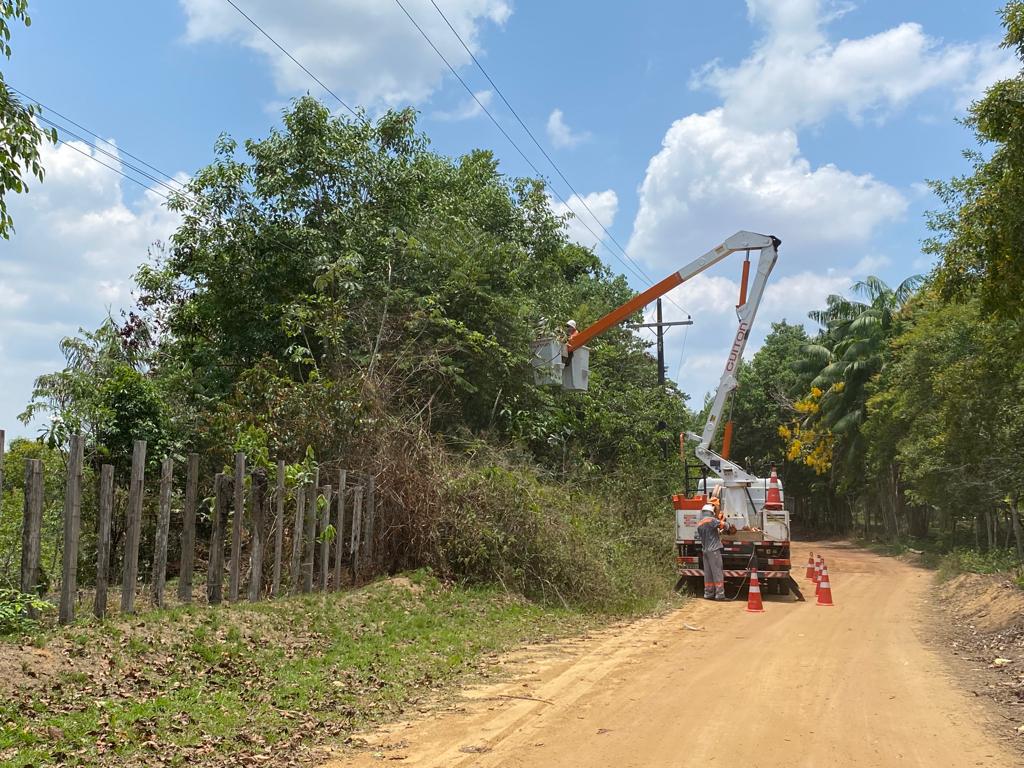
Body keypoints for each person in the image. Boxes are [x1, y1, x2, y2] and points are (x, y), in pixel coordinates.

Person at [697, 503, 728, 600]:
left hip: (705, 550)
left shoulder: (700, 523)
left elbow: (710, 532)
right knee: (717, 572)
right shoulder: (712, 520)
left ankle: (708, 593)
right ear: (711, 512)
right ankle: (720, 594)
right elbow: (725, 526)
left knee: (708, 573)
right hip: (713, 550)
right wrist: (725, 522)